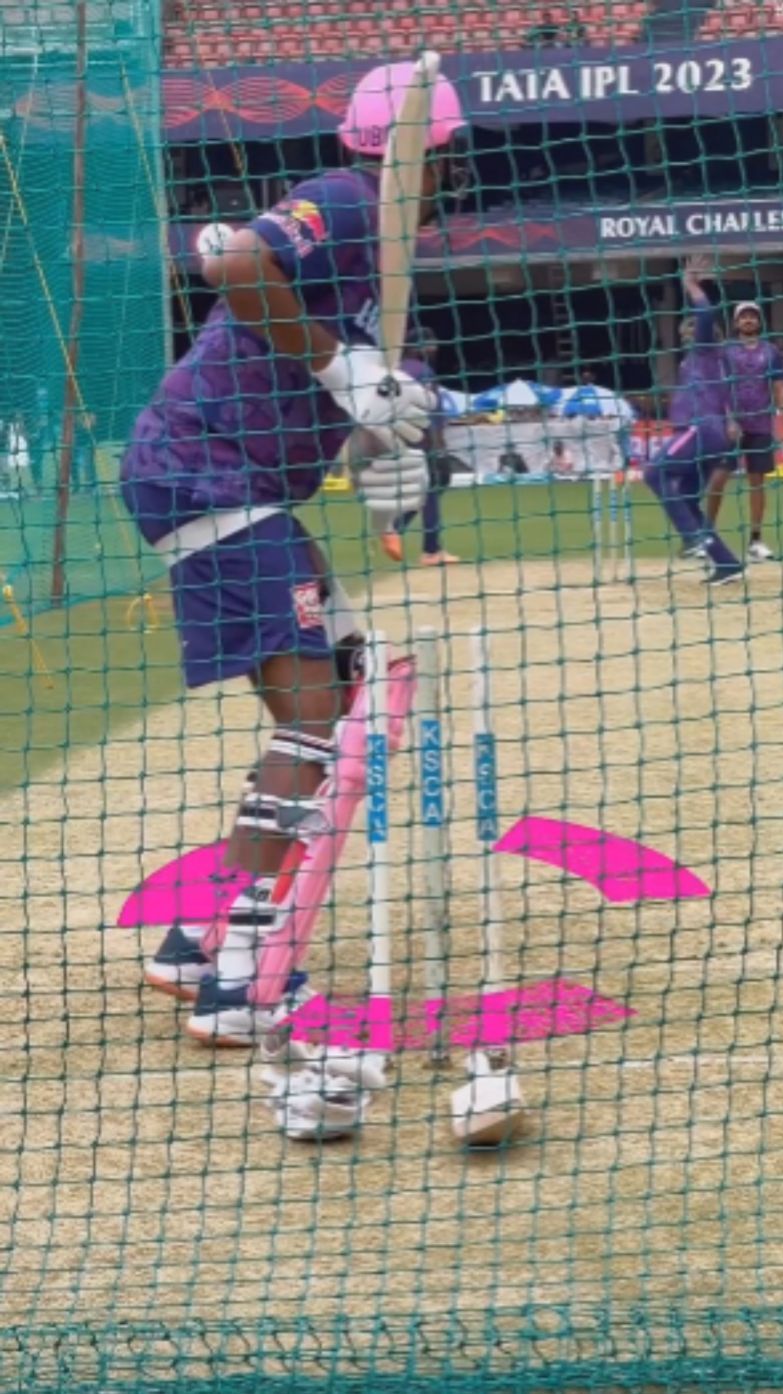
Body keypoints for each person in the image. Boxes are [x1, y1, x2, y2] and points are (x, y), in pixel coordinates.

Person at [119, 59, 465, 1046]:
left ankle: (198, 935)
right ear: (434, 154)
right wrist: (344, 364)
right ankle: (243, 971)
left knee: (342, 681)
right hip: (206, 469)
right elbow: (233, 267)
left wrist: (378, 445)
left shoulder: (382, 245)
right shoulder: (349, 203)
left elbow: (326, 383)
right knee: (312, 712)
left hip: (244, 482)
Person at [640, 264, 745, 587]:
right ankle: (726, 563)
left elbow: (705, 313)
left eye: (691, 330)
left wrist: (692, 286)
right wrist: (732, 420)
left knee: (653, 473)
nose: (688, 334)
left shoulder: (705, 351)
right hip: (714, 435)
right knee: (686, 499)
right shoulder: (713, 362)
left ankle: (691, 538)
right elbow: (730, 397)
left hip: (700, 429)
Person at [706, 300, 783, 562]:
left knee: (757, 482)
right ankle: (706, 536)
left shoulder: (772, 352)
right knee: (718, 479)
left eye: (753, 316)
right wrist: (728, 419)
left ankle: (755, 541)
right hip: (729, 425)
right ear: (736, 322)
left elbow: (779, 388)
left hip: (761, 425)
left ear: (759, 321)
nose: (749, 320)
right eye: (744, 317)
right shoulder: (725, 351)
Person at [381, 339, 460, 567]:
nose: (434, 349)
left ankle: (395, 529)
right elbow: (430, 410)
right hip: (420, 439)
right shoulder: (423, 371)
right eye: (430, 345)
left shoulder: (397, 370)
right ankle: (430, 550)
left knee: (426, 490)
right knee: (433, 486)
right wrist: (437, 441)